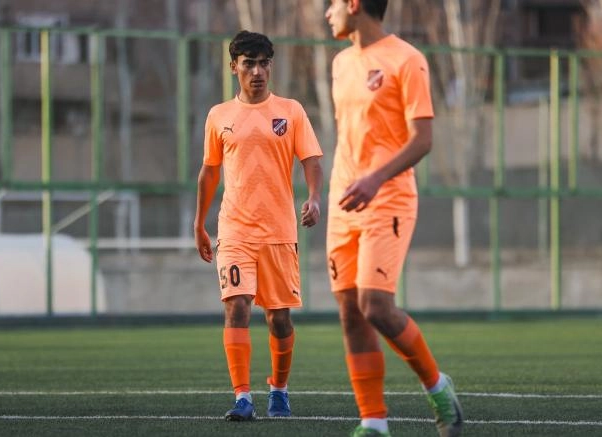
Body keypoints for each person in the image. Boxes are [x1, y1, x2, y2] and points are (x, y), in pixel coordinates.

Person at [324, 1, 463, 436]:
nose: (328, 12)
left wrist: (374, 179)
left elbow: (423, 140)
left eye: (332, 3)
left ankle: (437, 386)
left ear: (354, 4)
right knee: (350, 311)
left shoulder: (407, 59)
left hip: (388, 198)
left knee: (376, 306)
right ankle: (373, 422)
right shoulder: (340, 63)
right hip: (344, 201)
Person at [194, 30, 323, 421]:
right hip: (234, 231)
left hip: (280, 232)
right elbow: (209, 172)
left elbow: (311, 160)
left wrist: (314, 197)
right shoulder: (219, 116)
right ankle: (242, 398)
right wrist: (199, 223)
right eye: (248, 63)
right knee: (236, 307)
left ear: (271, 66)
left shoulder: (291, 111)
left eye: (263, 63)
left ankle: (278, 390)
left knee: (278, 319)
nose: (257, 71)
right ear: (233, 67)